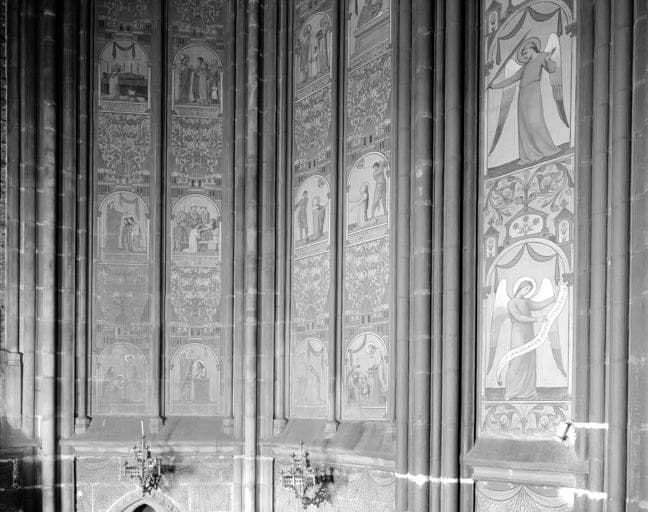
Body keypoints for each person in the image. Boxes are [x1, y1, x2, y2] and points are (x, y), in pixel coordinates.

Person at [489, 39, 561, 164]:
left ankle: (547, 149)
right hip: (522, 95)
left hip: (533, 91)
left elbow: (552, 69)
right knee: (524, 124)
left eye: (525, 53)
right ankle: (530, 155)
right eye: (523, 54)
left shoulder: (542, 56)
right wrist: (496, 86)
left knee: (535, 120)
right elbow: (512, 79)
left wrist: (548, 59)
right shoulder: (526, 66)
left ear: (532, 49)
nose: (525, 56)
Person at [504, 279, 555, 400]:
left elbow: (539, 305)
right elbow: (519, 317)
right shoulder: (511, 303)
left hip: (529, 334)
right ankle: (510, 392)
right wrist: (536, 319)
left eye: (529, 290)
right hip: (518, 334)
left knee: (529, 361)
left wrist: (554, 298)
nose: (527, 291)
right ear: (520, 287)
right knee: (517, 361)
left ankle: (528, 392)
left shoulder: (526, 301)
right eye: (526, 288)